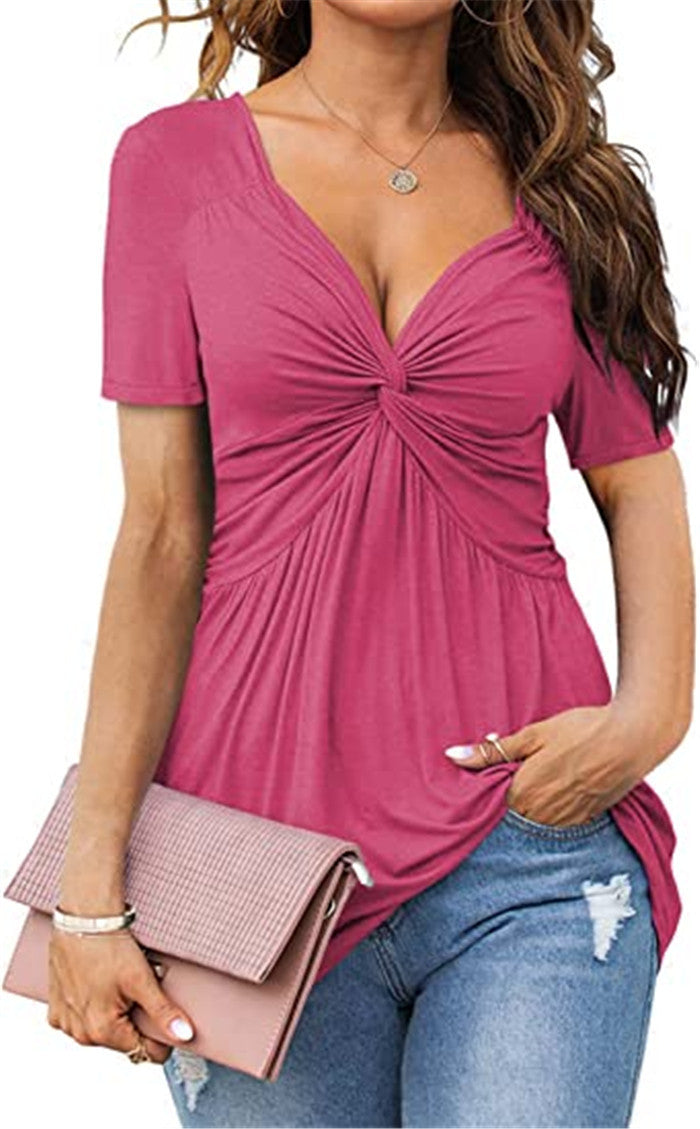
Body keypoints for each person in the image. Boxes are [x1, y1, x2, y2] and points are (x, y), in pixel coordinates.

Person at [47, 1, 693, 1126]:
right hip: (251, 868)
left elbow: (635, 478)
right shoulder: (174, 167)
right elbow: (158, 533)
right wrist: (90, 891)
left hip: (530, 844)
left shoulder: (561, 188)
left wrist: (650, 716)